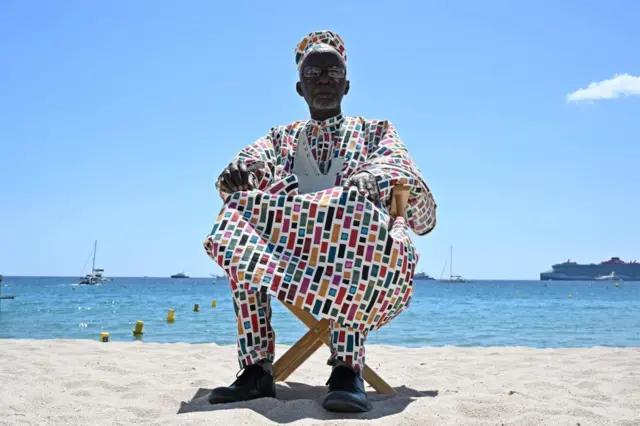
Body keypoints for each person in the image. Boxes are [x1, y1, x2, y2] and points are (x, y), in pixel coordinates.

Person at [204, 30, 437, 413]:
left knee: (351, 218)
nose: (324, 79)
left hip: (361, 257)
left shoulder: (375, 131)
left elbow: (397, 166)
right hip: (293, 256)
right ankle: (256, 368)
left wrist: (372, 178)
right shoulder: (283, 138)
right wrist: (241, 172)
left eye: (333, 72)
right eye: (314, 74)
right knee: (240, 222)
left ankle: (347, 367)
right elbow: (253, 159)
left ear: (347, 85)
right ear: (300, 88)